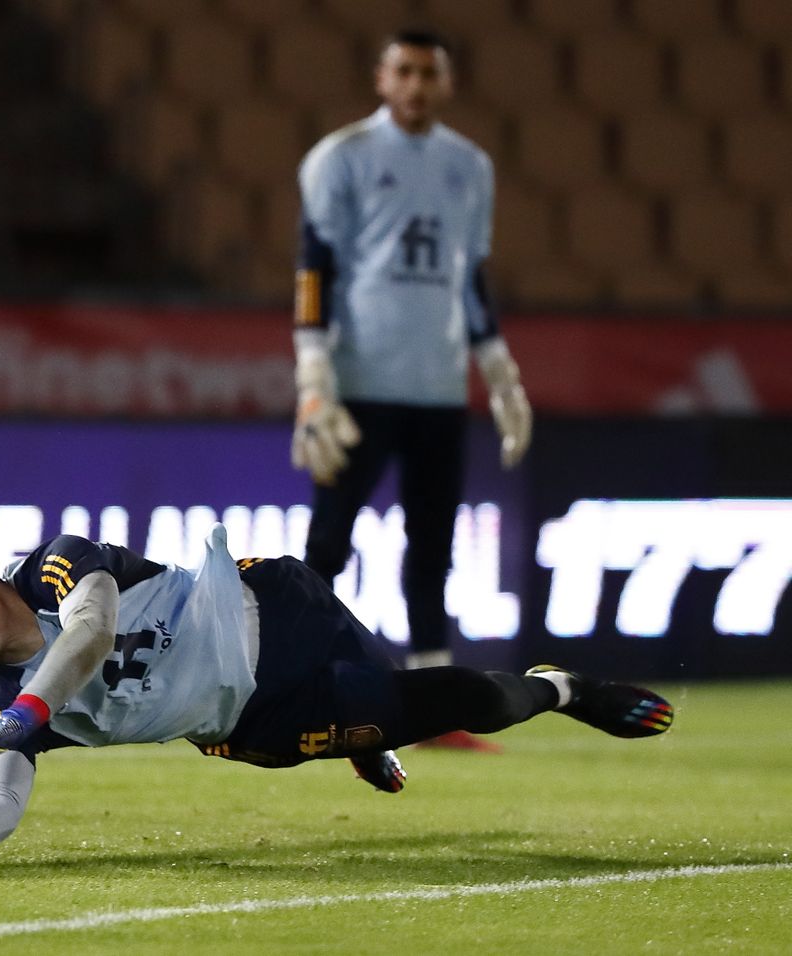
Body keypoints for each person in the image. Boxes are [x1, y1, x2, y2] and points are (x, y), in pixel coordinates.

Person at [0, 528, 672, 870]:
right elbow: (3, 784)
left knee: (459, 696)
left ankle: (561, 688)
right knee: (464, 700)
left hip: (272, 607)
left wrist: (20, 720)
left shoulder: (56, 563)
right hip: (258, 721)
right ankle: (537, 694)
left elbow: (86, 636)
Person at [289, 30, 532, 751]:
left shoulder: (469, 166)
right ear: (381, 78)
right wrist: (312, 376)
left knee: (433, 549)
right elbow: (314, 267)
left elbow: (469, 280)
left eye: (430, 73)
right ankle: (297, 682)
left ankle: (435, 706)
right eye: (405, 70)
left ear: (447, 83)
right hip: (360, 382)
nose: (417, 85)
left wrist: (500, 373)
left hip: (436, 386)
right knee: (327, 544)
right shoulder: (344, 157)